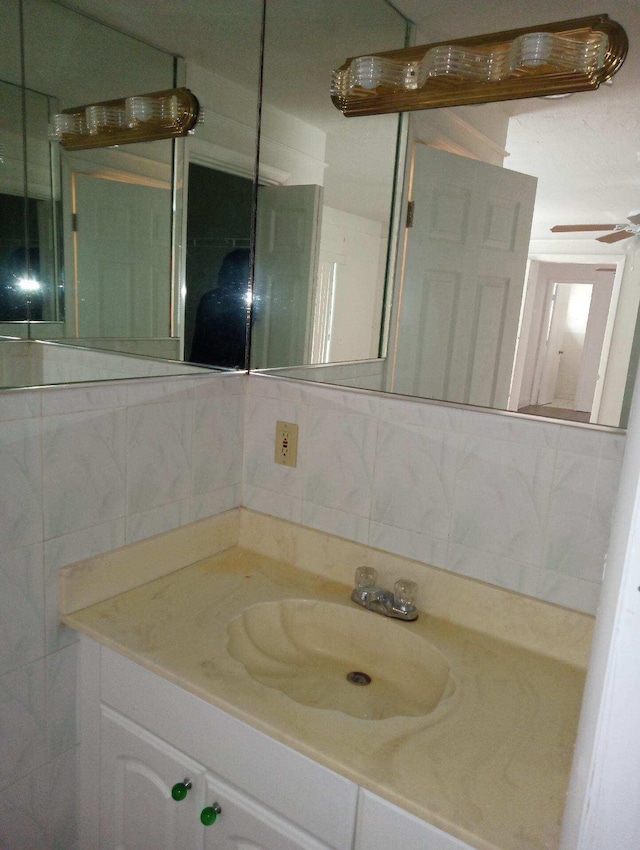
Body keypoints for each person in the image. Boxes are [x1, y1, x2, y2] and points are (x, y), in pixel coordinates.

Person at [189, 247, 250, 368]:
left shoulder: (250, 302)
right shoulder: (211, 299)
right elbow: (200, 342)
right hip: (213, 365)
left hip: (221, 367)